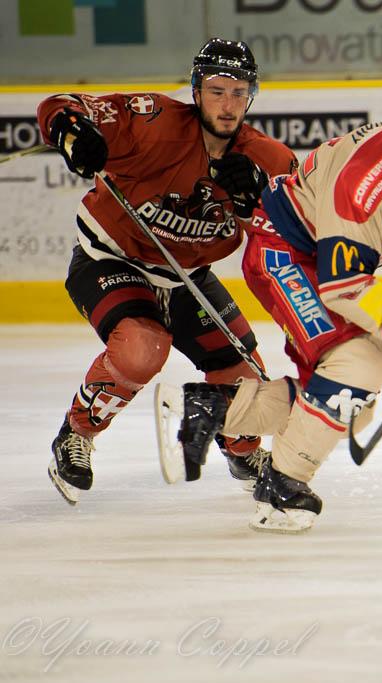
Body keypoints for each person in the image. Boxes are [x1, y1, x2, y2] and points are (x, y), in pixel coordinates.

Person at [157, 74, 382, 533]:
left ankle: (209, 409)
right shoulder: (363, 185)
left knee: (349, 402)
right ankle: (281, 485)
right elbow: (345, 286)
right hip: (285, 254)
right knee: (356, 367)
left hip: (321, 260)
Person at [38, 38, 297, 504]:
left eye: (239, 92)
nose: (228, 104)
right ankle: (76, 433)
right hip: (110, 257)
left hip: (185, 277)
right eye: (217, 91)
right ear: (196, 91)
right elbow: (61, 105)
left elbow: (299, 231)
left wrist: (262, 200)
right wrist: (73, 132)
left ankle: (242, 451)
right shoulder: (152, 123)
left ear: (252, 96)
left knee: (244, 376)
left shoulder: (269, 160)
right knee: (142, 348)